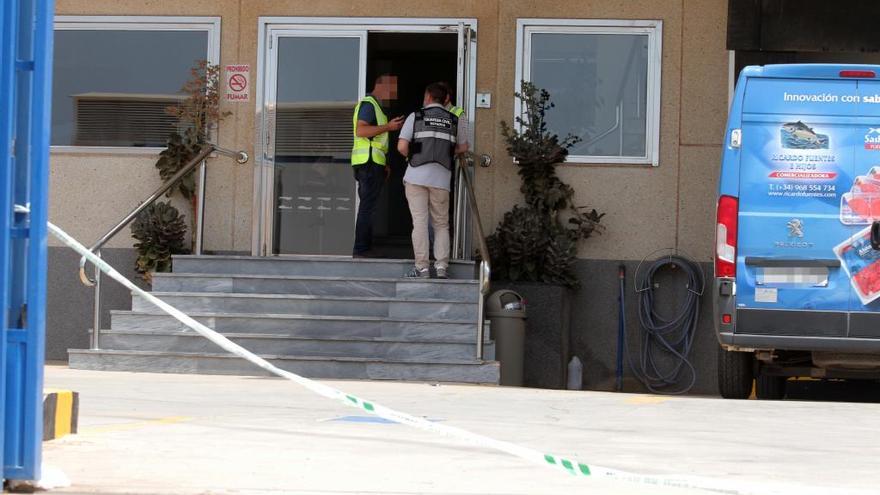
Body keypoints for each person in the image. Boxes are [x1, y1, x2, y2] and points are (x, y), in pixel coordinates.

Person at [397, 82, 468, 279]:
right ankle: (442, 267)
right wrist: (445, 151)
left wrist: (411, 158)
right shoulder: (455, 119)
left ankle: (422, 267)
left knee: (419, 222)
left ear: (428, 97)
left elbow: (402, 146)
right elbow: (463, 147)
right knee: (441, 224)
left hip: (416, 176)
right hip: (441, 178)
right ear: (445, 99)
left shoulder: (416, 116)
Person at [351, 74, 404, 258]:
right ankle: (361, 249)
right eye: (392, 88)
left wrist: (385, 165)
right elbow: (361, 130)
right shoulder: (369, 104)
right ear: (381, 86)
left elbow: (376, 140)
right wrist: (389, 127)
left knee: (369, 206)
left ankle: (364, 247)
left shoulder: (377, 107)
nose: (394, 93)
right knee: (367, 207)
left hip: (372, 163)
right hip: (369, 163)